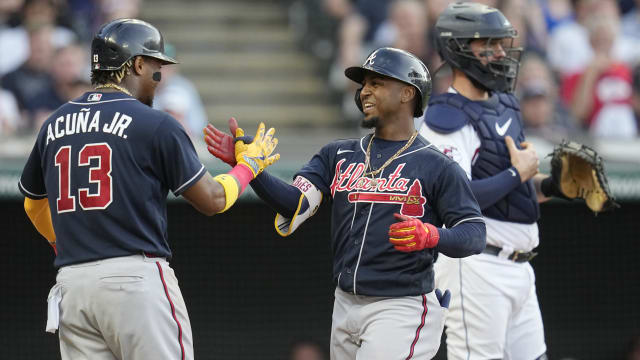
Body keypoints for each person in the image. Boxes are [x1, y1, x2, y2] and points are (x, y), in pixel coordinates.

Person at [18, 18, 279, 360]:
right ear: (138, 64)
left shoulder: (54, 122)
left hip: (73, 284)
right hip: (134, 280)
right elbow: (212, 200)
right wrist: (249, 167)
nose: (159, 78)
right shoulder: (154, 123)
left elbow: (33, 205)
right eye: (156, 66)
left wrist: (61, 243)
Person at [205, 47, 486, 360]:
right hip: (345, 302)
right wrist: (253, 170)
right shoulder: (337, 154)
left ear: (408, 93)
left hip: (400, 306)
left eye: (376, 83)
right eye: (363, 84)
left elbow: (474, 233)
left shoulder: (436, 165)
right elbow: (295, 203)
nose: (364, 91)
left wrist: (433, 235)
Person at [419, 3, 563, 359]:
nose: (501, 52)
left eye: (501, 43)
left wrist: (555, 186)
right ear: (459, 49)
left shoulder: (505, 105)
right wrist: (519, 172)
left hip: (519, 265)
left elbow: (515, 190)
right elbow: (454, 198)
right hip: (475, 264)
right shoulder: (444, 117)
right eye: (489, 44)